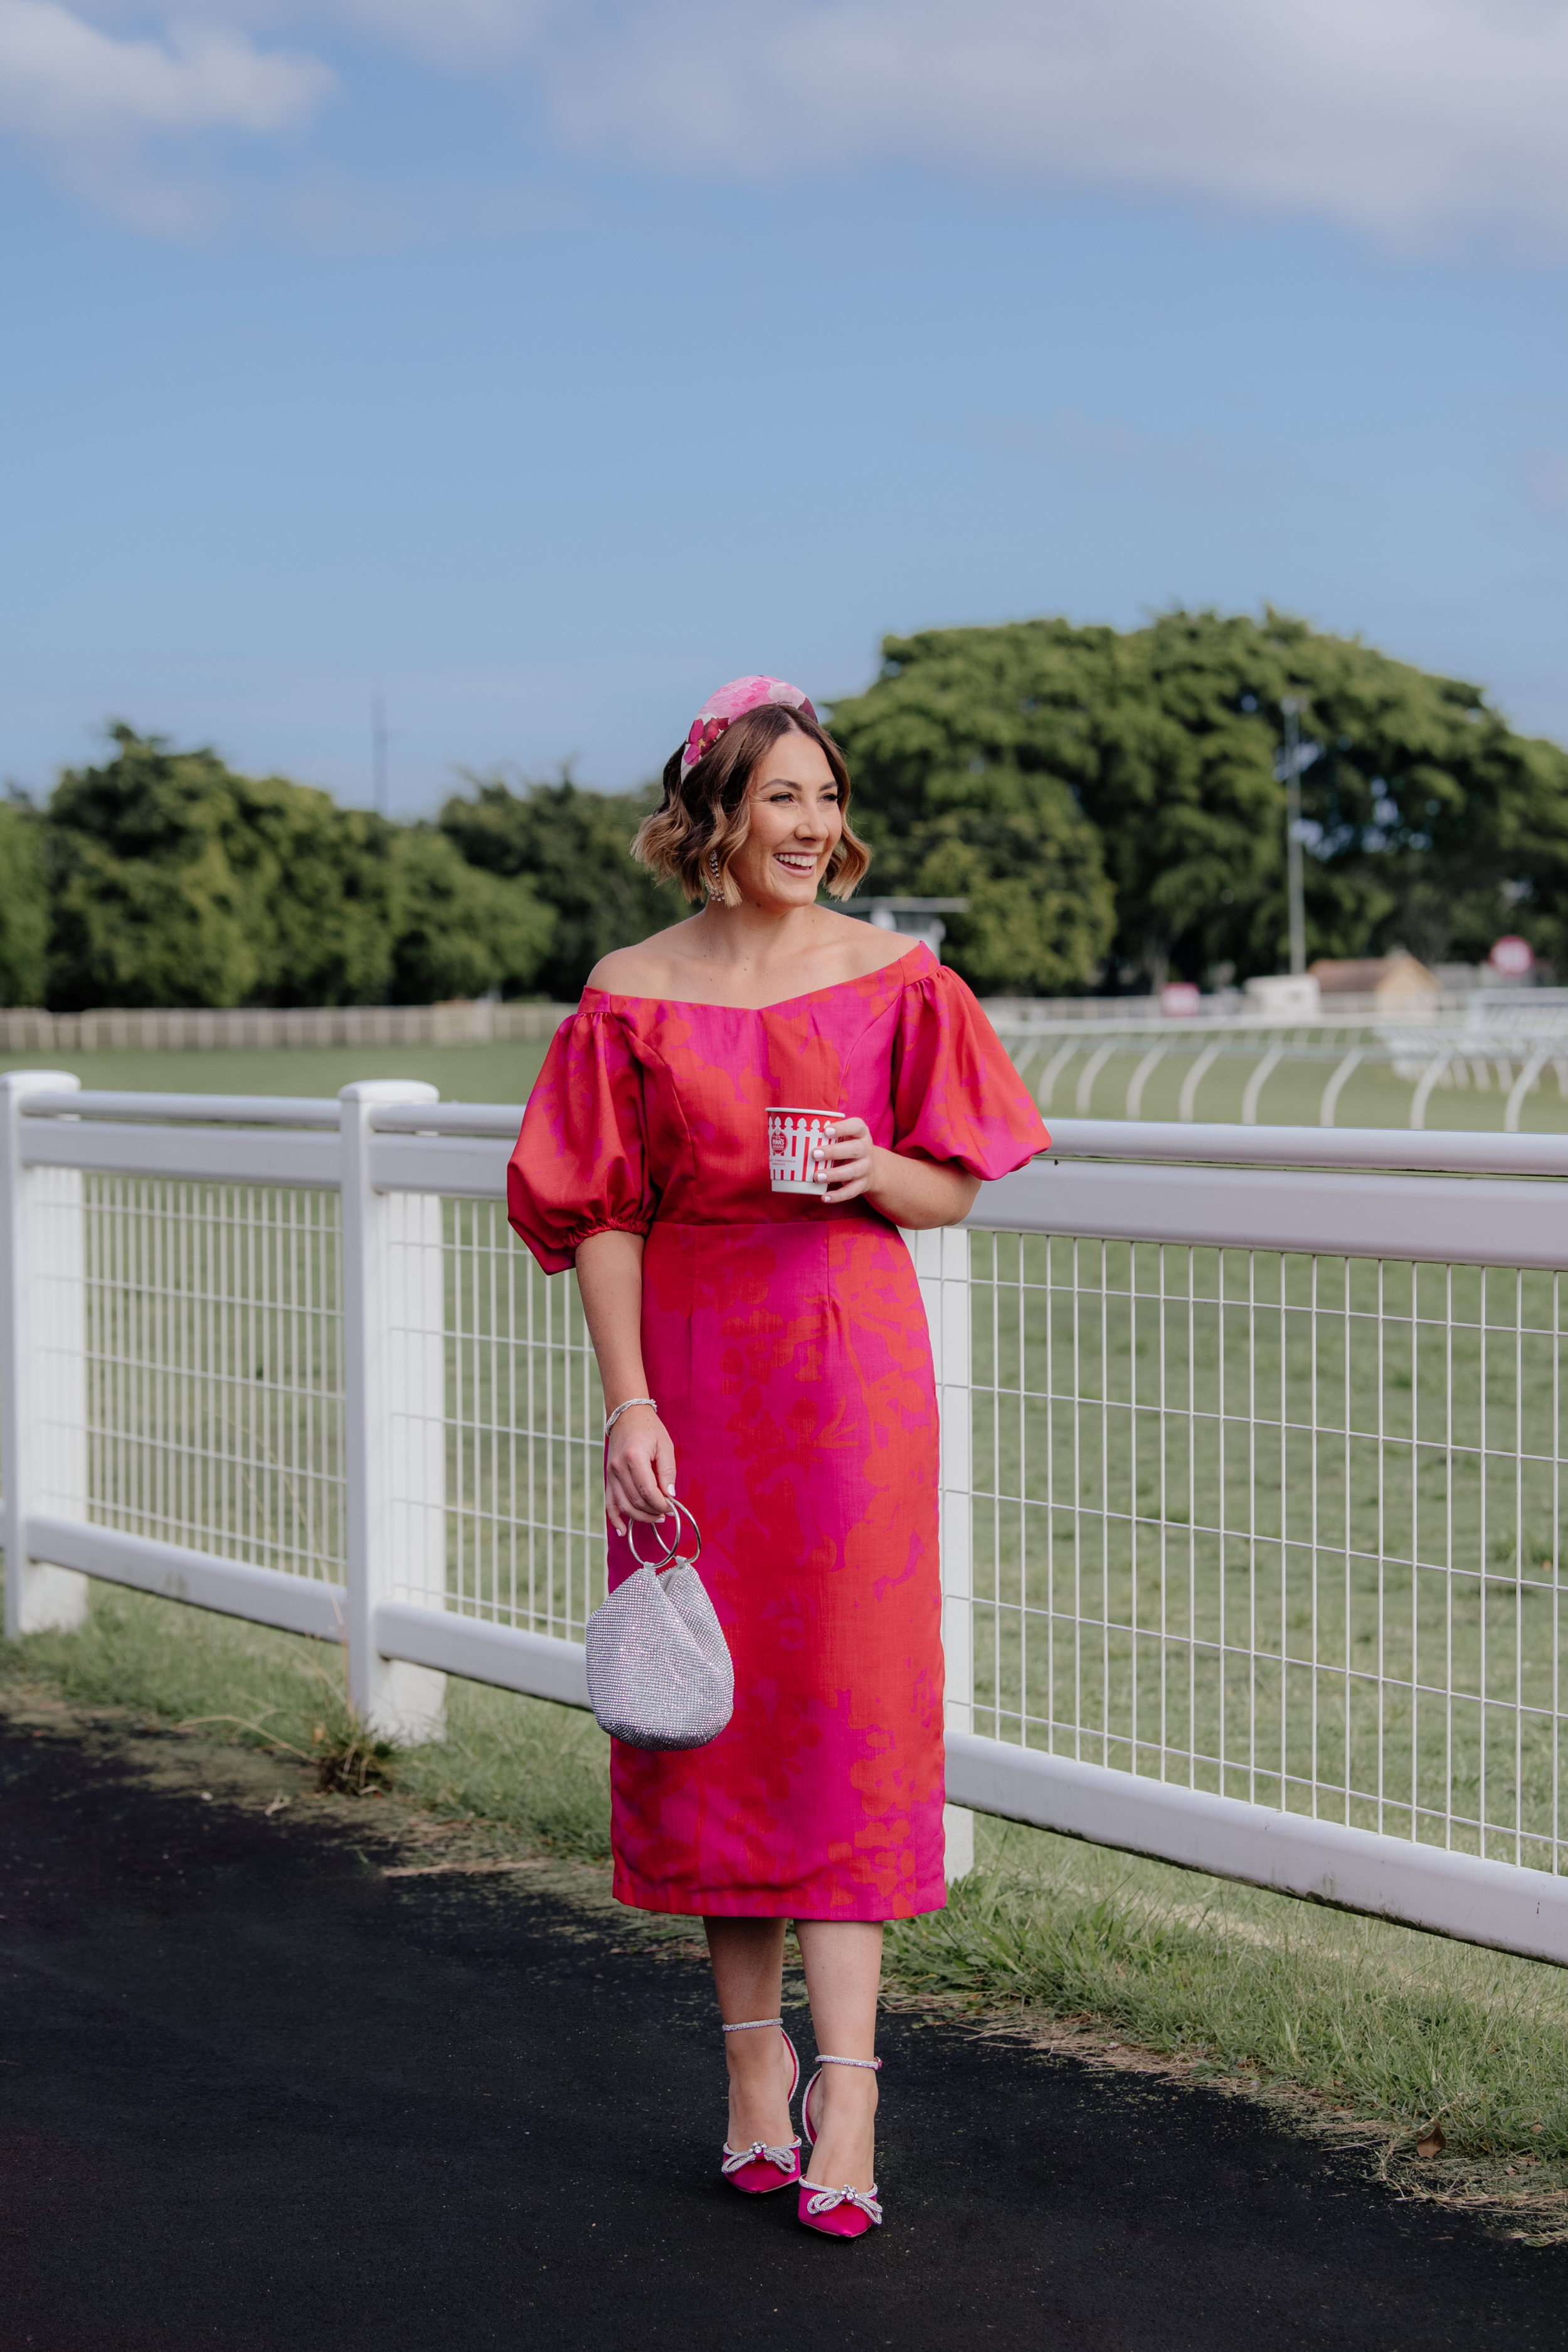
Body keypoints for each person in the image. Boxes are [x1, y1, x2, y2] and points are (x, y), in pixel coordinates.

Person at [506, 674, 1049, 2240]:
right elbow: (598, 1211)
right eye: (779, 799)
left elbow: (952, 1188)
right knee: (710, 1721)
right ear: (713, 815)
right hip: (688, 1374)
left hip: (849, 1379)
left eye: (824, 798)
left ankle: (853, 2085)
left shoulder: (900, 979)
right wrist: (629, 1406)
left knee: (845, 1714)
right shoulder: (629, 989)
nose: (809, 827)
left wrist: (872, 1167)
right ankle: (753, 2075)